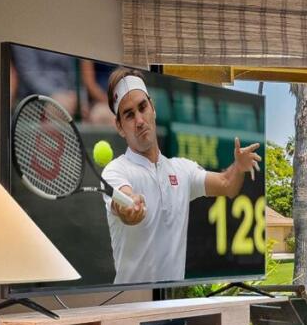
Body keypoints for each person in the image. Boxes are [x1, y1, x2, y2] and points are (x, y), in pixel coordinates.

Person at [100, 71, 256, 283]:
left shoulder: (182, 169)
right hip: (128, 306)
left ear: (152, 108)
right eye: (128, 115)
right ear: (120, 126)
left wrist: (238, 167)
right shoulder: (114, 171)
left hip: (173, 303)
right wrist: (130, 206)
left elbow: (227, 184)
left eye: (142, 107)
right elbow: (123, 201)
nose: (139, 120)